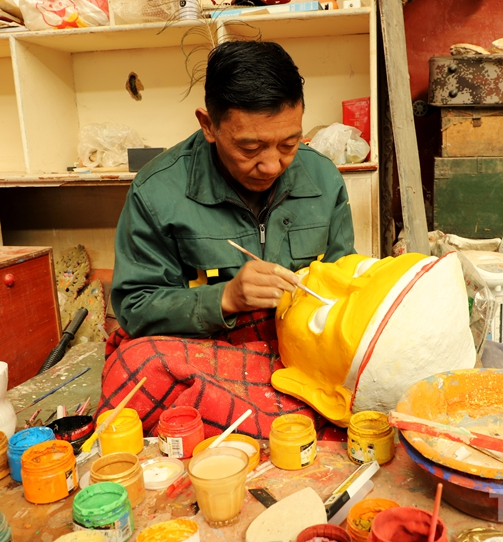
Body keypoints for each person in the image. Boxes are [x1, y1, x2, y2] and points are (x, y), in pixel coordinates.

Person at [97, 40, 356, 440]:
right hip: (210, 356)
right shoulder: (157, 191)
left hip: (304, 356)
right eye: (250, 147)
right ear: (209, 125)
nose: (272, 165)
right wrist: (224, 299)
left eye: (289, 144)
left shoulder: (323, 179)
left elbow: (345, 281)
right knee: (134, 363)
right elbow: (134, 307)